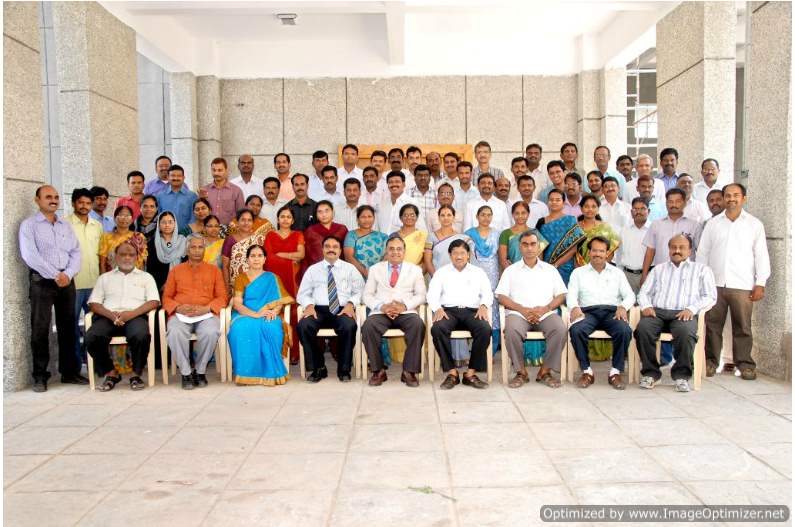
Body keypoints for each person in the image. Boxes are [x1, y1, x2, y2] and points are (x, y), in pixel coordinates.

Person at [697, 183, 770, 380]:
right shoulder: (713, 224)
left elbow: (761, 255)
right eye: (728, 196)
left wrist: (761, 282)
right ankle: (710, 362)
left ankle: (745, 365)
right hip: (715, 284)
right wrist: (701, 281)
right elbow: (703, 253)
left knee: (743, 327)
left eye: (736, 195)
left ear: (743, 198)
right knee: (712, 325)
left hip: (743, 284)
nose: (731, 199)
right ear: (723, 199)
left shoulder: (754, 224)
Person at [19, 185, 86, 391]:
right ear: (37, 200)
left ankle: (69, 372)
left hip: (66, 280)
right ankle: (40, 376)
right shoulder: (29, 225)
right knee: (40, 328)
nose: (53, 200)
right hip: (42, 281)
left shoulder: (65, 225)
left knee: (68, 327)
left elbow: (76, 251)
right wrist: (56, 275)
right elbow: (30, 255)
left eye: (56, 197)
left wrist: (68, 274)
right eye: (48, 197)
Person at [636, 234, 717, 392]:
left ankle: (682, 376)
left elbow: (710, 296)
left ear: (690, 250)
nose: (677, 250)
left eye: (682, 247)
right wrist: (646, 306)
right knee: (643, 329)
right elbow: (644, 292)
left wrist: (692, 309)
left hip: (684, 313)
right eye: (673, 247)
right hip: (657, 312)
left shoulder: (702, 270)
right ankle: (651, 374)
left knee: (686, 332)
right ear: (669, 249)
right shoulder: (658, 269)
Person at [496, 229, 568, 388]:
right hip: (518, 314)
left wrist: (546, 308)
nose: (529, 248)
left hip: (545, 313)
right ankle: (521, 372)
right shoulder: (510, 270)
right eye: (525, 244)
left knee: (560, 329)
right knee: (511, 330)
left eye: (533, 244)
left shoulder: (550, 270)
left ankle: (545, 372)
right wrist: (521, 309)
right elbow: (501, 296)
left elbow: (561, 295)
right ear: (520, 247)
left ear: (539, 246)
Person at [86, 242, 160, 391]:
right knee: (92, 337)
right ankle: (111, 372)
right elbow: (94, 303)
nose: (127, 258)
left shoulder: (146, 277)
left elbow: (154, 302)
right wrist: (111, 315)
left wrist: (130, 315)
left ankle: (136, 374)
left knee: (141, 335)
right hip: (108, 316)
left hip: (135, 316)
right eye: (123, 254)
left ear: (137, 257)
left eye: (131, 255)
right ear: (115, 256)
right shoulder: (105, 278)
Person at [567, 236, 635, 390]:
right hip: (587, 312)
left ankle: (615, 372)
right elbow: (571, 295)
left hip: (612, 312)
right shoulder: (578, 273)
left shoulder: (617, 273)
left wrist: (623, 307)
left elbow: (630, 295)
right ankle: (587, 371)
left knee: (624, 330)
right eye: (594, 250)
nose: (597, 254)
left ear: (607, 253)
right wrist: (574, 307)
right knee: (577, 330)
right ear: (589, 252)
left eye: (601, 251)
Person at [162, 234, 227, 389]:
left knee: (210, 332)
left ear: (204, 250)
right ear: (187, 250)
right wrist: (178, 307)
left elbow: (222, 297)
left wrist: (207, 308)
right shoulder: (176, 270)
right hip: (181, 314)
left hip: (206, 314)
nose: (197, 250)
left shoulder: (214, 271)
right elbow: (166, 297)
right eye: (193, 247)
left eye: (200, 247)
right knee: (174, 332)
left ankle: (200, 371)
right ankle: (186, 373)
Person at [297, 236, 365, 382]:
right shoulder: (312, 270)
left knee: (348, 325)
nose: (331, 249)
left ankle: (344, 369)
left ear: (340, 250)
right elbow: (302, 293)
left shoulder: (350, 269)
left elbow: (360, 290)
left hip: (342, 309)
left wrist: (351, 303)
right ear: (322, 249)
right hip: (318, 310)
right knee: (304, 325)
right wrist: (309, 305)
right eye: (327, 246)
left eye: (335, 247)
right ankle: (318, 367)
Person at [361, 236, 427, 387]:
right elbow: (367, 295)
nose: (395, 252)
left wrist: (404, 306)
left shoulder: (415, 270)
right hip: (381, 311)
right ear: (386, 251)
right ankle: (378, 371)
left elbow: (421, 295)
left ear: (404, 251)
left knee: (418, 325)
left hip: (405, 311)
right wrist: (382, 306)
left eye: (399, 249)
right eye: (391, 249)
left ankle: (409, 372)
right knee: (368, 326)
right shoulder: (375, 269)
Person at [428, 239, 493, 389]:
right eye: (455, 253)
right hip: (448, 311)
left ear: (468, 255)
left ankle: (470, 374)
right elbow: (432, 294)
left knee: (484, 329)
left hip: (472, 311)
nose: (459, 256)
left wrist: (484, 305)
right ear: (450, 255)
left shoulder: (478, 272)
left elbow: (487, 293)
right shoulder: (441, 272)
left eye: (462, 253)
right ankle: (452, 373)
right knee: (437, 328)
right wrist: (437, 308)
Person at [227, 244, 293, 386]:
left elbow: (280, 301)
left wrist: (274, 311)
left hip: (268, 313)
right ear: (247, 259)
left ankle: (271, 374)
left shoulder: (272, 278)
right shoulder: (241, 278)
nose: (256, 259)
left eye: (259, 256)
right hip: (244, 313)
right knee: (239, 329)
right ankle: (245, 374)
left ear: (264, 259)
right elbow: (237, 304)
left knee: (271, 328)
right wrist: (255, 314)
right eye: (252, 256)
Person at [68, 187, 103, 368]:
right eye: (80, 202)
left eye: (88, 203)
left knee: (96, 325)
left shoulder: (97, 226)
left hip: (94, 284)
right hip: (73, 283)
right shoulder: (64, 224)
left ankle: (94, 363)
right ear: (73, 203)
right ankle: (75, 366)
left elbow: (101, 254)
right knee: (71, 326)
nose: (84, 206)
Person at [264, 206, 305, 363]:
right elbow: (268, 258)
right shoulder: (270, 235)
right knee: (274, 313)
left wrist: (281, 255)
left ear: (293, 220)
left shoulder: (298, 235)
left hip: (293, 280)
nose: (285, 219)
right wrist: (289, 259)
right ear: (278, 219)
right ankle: (275, 351)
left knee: (293, 314)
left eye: (289, 217)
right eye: (282, 216)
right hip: (273, 281)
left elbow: (301, 255)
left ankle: (294, 352)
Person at [641, 188, 702, 285]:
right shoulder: (656, 225)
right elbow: (650, 252)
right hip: (661, 276)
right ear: (666, 204)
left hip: (687, 276)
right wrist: (644, 275)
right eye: (670, 201)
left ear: (684, 203)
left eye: (678, 201)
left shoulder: (694, 225)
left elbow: (701, 252)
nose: (674, 205)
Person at [465, 206, 501, 349]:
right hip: (474, 275)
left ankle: (492, 346)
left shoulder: (497, 234)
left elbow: (500, 256)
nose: (486, 218)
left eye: (489, 215)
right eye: (483, 215)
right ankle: (474, 346)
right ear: (477, 216)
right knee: (474, 304)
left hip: (493, 275)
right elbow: (465, 256)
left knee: (492, 306)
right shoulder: (468, 234)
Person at [537, 189, 585, 285]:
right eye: (551, 200)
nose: (554, 202)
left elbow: (574, 248)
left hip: (566, 265)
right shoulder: (541, 222)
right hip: (546, 265)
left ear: (563, 203)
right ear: (548, 202)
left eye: (558, 200)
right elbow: (539, 247)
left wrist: (556, 264)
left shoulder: (570, 220)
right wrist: (542, 266)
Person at [223, 208, 272, 292]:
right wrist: (227, 288)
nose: (246, 223)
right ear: (237, 222)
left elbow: (265, 262)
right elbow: (225, 265)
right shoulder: (230, 240)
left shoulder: (260, 239)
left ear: (253, 222)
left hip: (257, 284)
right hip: (236, 286)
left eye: (249, 220)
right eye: (243, 220)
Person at [499, 201, 548, 272]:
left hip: (533, 272)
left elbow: (540, 258)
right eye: (517, 213)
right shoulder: (505, 234)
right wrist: (513, 273)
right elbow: (503, 260)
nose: (520, 216)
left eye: (523, 213)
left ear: (528, 214)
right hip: (513, 273)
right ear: (512, 214)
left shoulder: (536, 233)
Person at [424, 205, 472, 276]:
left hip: (455, 277)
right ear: (438, 218)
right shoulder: (430, 237)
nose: (445, 218)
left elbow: (465, 261)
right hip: (436, 276)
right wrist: (436, 278)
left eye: (449, 215)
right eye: (442, 215)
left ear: (453, 217)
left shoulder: (461, 238)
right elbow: (427, 261)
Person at [145, 211, 187, 293]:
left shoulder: (183, 242)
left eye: (170, 222)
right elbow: (150, 268)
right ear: (159, 225)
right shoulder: (152, 244)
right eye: (164, 222)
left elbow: (187, 265)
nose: (167, 225)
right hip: (159, 287)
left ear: (175, 224)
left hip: (181, 286)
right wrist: (162, 286)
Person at [615, 198, 650, 294]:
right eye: (635, 209)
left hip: (648, 275)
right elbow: (619, 254)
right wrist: (620, 274)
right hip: (627, 276)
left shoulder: (654, 230)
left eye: (642, 208)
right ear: (631, 212)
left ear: (649, 211)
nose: (639, 212)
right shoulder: (624, 231)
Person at [98, 205, 148, 273]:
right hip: (112, 276)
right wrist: (104, 278)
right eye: (121, 215)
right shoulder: (106, 237)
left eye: (127, 216)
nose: (124, 218)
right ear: (115, 218)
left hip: (134, 276)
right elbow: (102, 263)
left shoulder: (139, 237)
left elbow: (141, 262)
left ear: (131, 220)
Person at [343, 205, 388, 280]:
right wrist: (365, 272)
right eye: (363, 217)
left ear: (374, 218)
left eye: (369, 216)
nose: (366, 220)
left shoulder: (383, 237)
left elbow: (388, 255)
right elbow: (348, 257)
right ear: (357, 219)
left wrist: (376, 272)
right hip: (356, 276)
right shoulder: (351, 235)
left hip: (379, 276)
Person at [575, 194, 620, 267]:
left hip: (601, 268)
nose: (590, 209)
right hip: (579, 267)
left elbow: (611, 251)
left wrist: (600, 267)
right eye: (586, 206)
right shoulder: (575, 228)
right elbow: (572, 252)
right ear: (581, 209)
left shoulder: (605, 227)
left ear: (598, 209)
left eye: (593, 206)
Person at [303, 200, 349, 273]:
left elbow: (346, 253)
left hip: (339, 270)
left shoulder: (342, 229)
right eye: (320, 212)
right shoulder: (310, 231)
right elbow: (306, 255)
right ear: (316, 215)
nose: (324, 214)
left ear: (333, 212)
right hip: (317, 271)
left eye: (327, 211)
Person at [201, 158, 245, 225]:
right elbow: (200, 213)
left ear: (226, 171)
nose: (216, 173)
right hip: (208, 229)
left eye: (220, 170)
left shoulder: (236, 191)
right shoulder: (205, 190)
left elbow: (241, 214)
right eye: (214, 170)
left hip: (229, 230)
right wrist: (201, 198)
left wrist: (230, 229)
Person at [156, 164, 198, 229]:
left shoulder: (192, 196)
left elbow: (194, 218)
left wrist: (187, 232)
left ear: (183, 178)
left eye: (179, 176)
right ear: (168, 177)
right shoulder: (160, 196)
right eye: (173, 176)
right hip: (165, 233)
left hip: (187, 234)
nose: (176, 178)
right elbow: (158, 217)